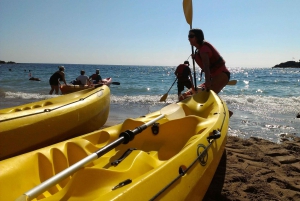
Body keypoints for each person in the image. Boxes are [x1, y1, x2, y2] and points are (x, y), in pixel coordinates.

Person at [183, 28, 232, 116]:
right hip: (214, 77)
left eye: (191, 36)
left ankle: (225, 113)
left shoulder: (204, 49)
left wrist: (208, 82)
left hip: (222, 75)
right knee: (187, 94)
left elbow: (206, 66)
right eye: (188, 36)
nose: (188, 38)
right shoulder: (199, 50)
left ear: (197, 37)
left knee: (205, 97)